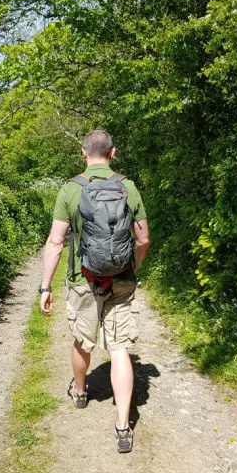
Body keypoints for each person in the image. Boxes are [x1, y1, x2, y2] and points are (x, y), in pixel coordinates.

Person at [38, 129, 150, 453]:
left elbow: (56, 242)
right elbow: (143, 240)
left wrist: (45, 286)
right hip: (122, 281)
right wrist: (132, 268)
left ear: (83, 153)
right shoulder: (128, 187)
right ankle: (123, 426)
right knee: (119, 350)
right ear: (113, 153)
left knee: (82, 341)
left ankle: (81, 391)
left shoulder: (70, 189)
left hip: (81, 281)